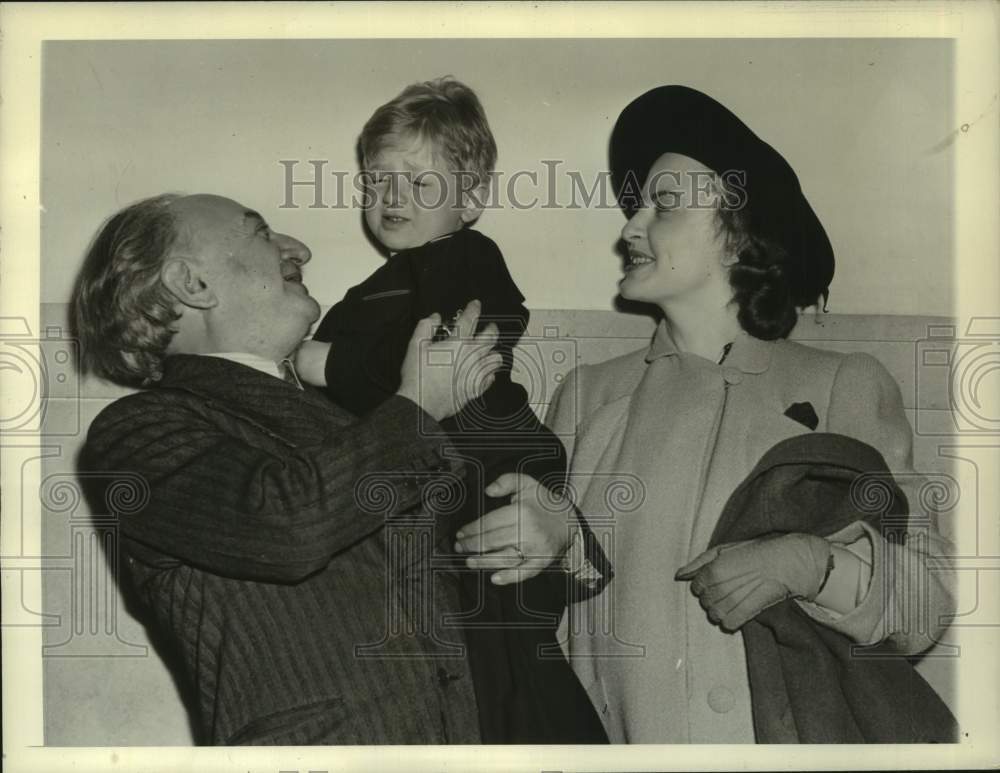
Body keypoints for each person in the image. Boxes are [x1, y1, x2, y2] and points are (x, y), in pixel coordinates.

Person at [455, 85, 956, 743]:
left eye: (662, 205)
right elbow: (535, 627)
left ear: (740, 233)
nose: (629, 228)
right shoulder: (586, 395)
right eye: (636, 208)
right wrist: (555, 546)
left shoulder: (841, 385)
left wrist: (808, 564)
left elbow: (926, 600)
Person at [74, 192, 507, 745]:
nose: (298, 248)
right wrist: (418, 406)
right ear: (193, 284)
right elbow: (286, 526)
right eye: (260, 232)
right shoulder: (137, 430)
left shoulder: (363, 419)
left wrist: (556, 538)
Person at [293, 77, 608, 743]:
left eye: (418, 182)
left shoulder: (467, 256)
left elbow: (453, 350)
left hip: (488, 466)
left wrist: (329, 364)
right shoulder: (363, 294)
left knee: (506, 666)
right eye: (377, 181)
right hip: (431, 495)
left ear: (471, 200)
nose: (390, 197)